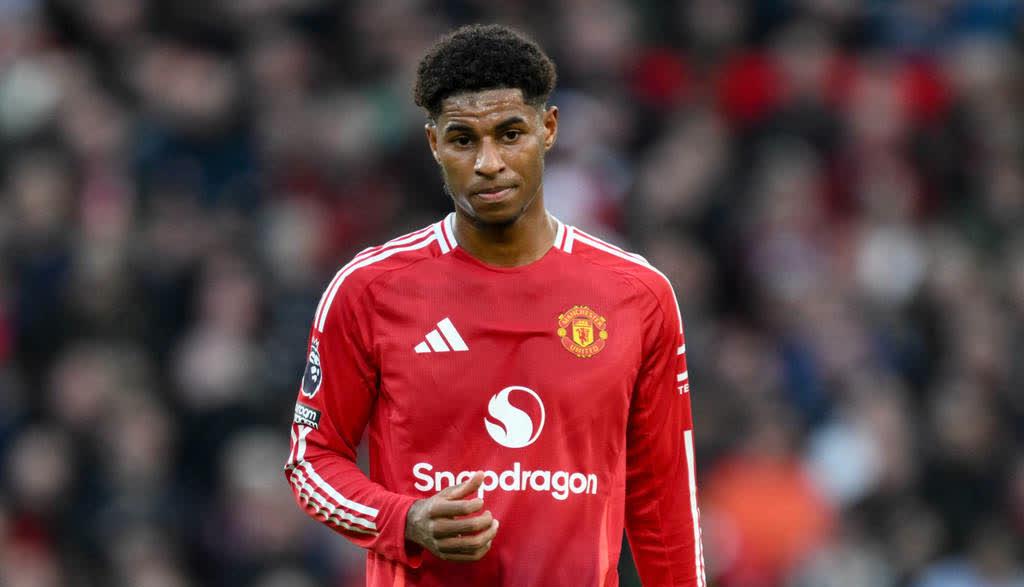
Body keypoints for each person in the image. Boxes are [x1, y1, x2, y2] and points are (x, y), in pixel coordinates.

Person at [284, 24, 706, 586]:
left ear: (548, 129)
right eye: (463, 140)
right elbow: (311, 461)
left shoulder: (636, 295)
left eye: (510, 134)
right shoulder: (369, 289)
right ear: (434, 144)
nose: (488, 162)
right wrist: (403, 519)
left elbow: (663, 500)